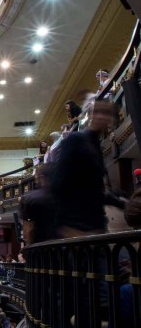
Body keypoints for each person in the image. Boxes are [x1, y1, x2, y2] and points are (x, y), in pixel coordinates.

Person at [51, 100, 121, 237]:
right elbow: (58, 183)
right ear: (90, 115)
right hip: (77, 226)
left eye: (107, 113)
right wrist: (67, 225)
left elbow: (95, 189)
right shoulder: (76, 140)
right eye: (97, 112)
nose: (101, 116)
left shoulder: (96, 146)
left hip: (95, 223)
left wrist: (122, 203)